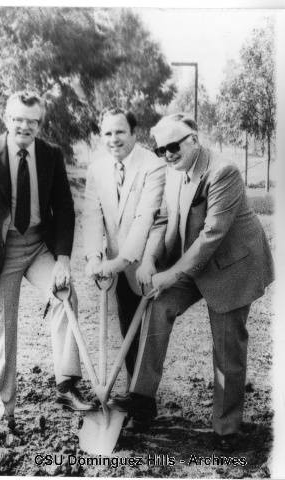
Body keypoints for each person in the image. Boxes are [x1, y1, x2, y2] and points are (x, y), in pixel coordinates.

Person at [114, 113, 274, 449]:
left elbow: (211, 237)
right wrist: (150, 260)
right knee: (158, 305)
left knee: (227, 347)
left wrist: (170, 274)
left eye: (173, 146)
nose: (168, 154)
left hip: (231, 267)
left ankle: (227, 430)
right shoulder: (174, 173)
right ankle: (142, 396)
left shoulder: (223, 172)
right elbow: (164, 220)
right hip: (193, 264)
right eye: (161, 150)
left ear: (194, 139)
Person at [0, 91, 93, 432]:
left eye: (32, 121)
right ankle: (2, 412)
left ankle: (66, 385)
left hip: (37, 246)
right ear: (7, 119)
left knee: (65, 296)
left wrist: (62, 259)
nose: (24, 126)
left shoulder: (50, 155)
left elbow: (63, 208)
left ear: (39, 124)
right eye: (18, 119)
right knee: (3, 327)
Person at [83, 107, 167, 423]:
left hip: (148, 258)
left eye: (120, 131)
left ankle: (144, 401)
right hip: (117, 264)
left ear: (134, 133)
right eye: (107, 133)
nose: (114, 138)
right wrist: (94, 257)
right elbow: (92, 216)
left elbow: (146, 217)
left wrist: (120, 261)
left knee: (148, 331)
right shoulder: (97, 168)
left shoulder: (153, 166)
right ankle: (139, 404)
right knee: (128, 326)